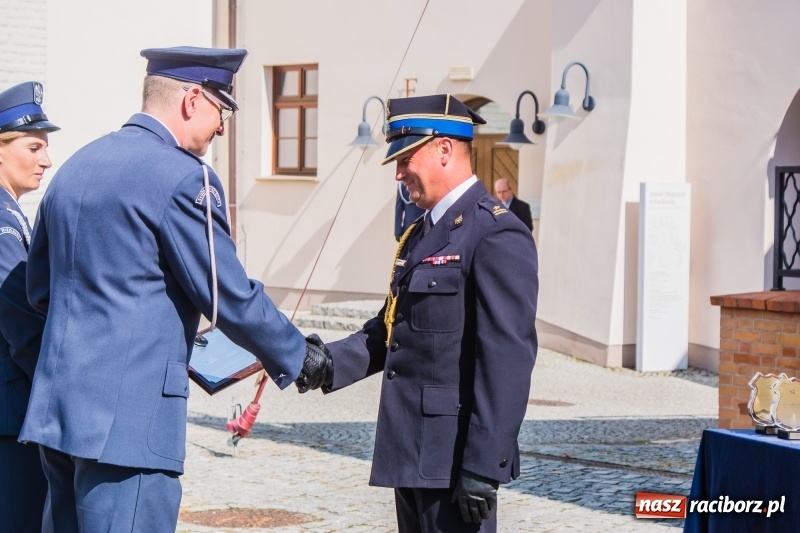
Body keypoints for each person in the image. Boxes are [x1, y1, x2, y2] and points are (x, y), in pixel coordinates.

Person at [19, 46, 329, 532]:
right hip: (130, 423)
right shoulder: (185, 177)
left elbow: (38, 291)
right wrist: (298, 353)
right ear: (191, 99)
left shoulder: (75, 167)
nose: (222, 127)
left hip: (58, 414)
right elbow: (227, 294)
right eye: (221, 110)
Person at [296, 94, 538, 532]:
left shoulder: (496, 232)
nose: (399, 171)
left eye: (406, 157)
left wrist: (484, 466)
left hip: (455, 462)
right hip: (411, 452)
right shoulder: (421, 233)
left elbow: (508, 360)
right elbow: (392, 330)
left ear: (444, 149)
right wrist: (328, 364)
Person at [0, 81, 58, 533]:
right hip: (10, 412)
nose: (46, 160)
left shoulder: (12, 214)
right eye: (34, 146)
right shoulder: (2, 223)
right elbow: (20, 320)